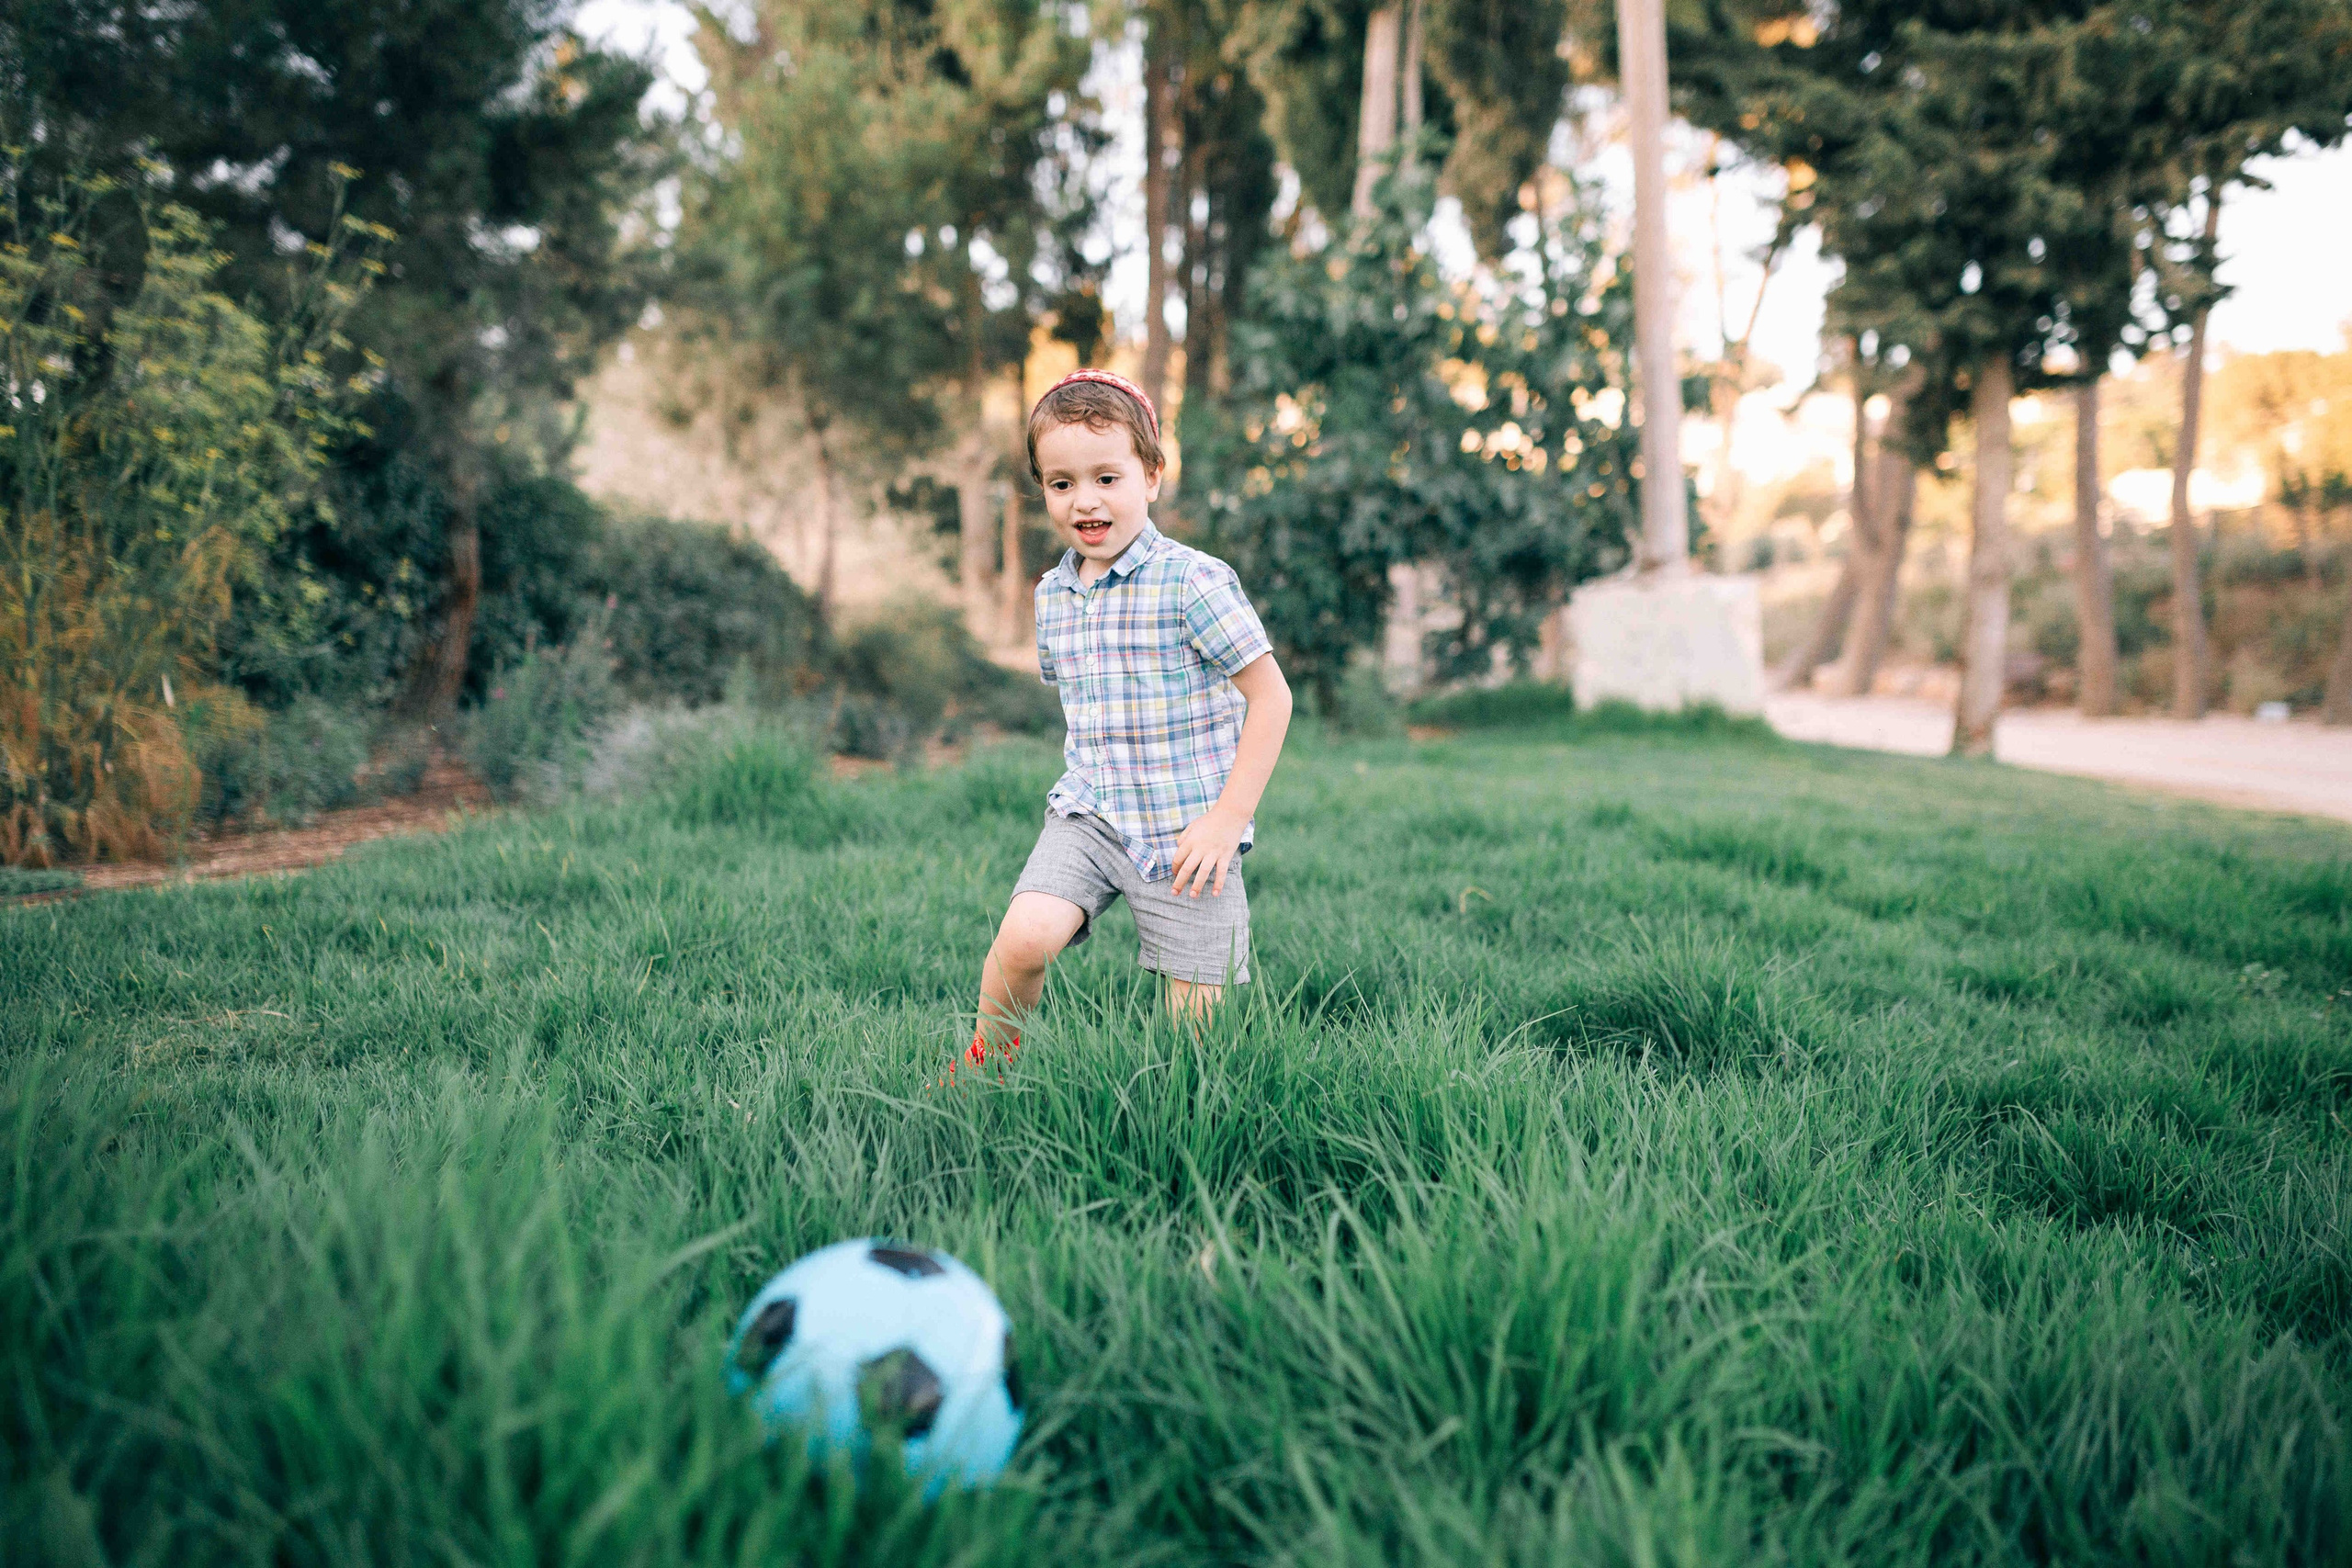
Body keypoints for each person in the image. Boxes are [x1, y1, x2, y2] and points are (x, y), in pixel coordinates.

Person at [956, 368, 1293, 1075]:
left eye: (1107, 477)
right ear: (1042, 488)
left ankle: (1174, 1124)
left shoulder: (1192, 581)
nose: (1085, 501)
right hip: (1091, 815)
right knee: (1023, 938)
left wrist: (1228, 818)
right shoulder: (1053, 594)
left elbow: (1272, 698)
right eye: (1061, 482)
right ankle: (986, 1067)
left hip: (1190, 834)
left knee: (1193, 1043)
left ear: (1152, 476)